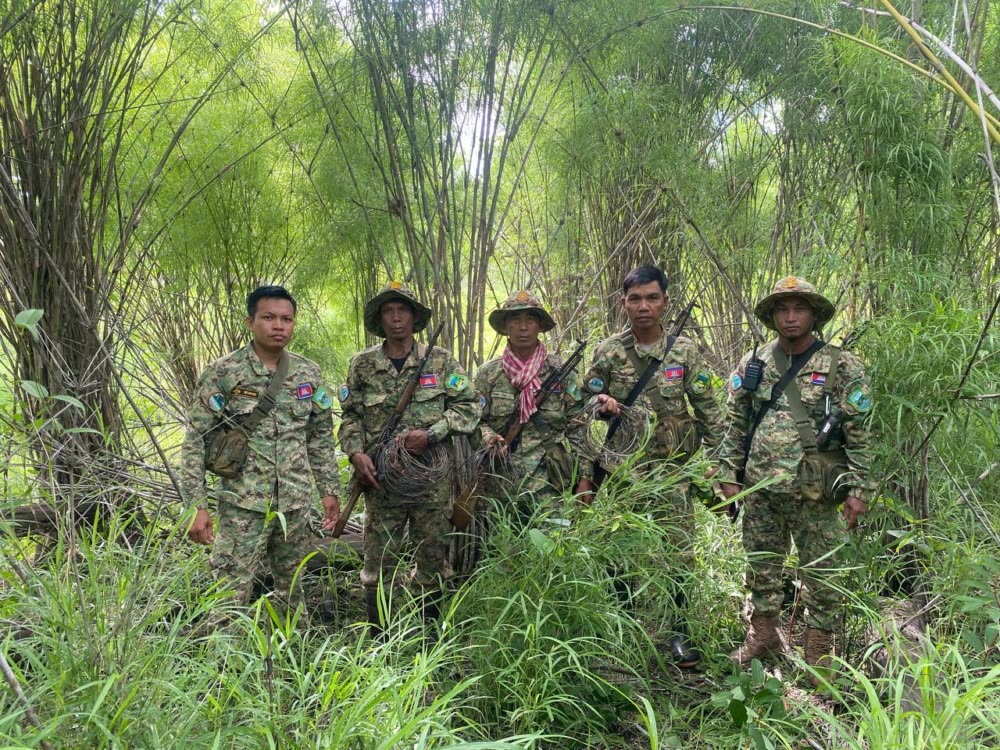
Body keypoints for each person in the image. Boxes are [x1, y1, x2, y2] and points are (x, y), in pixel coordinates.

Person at [717, 276, 874, 683]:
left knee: (822, 571)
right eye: (782, 309)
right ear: (772, 316)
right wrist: (728, 474)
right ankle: (763, 636)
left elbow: (860, 433)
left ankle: (818, 652)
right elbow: (735, 422)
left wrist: (859, 490)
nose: (790, 317)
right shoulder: (754, 363)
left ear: (814, 315)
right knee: (762, 565)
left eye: (799, 308)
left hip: (815, 492)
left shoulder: (842, 365)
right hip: (760, 489)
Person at [582, 265, 726, 668]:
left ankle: (679, 631)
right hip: (623, 470)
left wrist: (721, 467)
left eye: (652, 298)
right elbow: (585, 402)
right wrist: (601, 404)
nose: (643, 306)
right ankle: (625, 625)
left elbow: (711, 414)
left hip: (672, 471)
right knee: (619, 549)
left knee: (678, 551)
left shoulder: (685, 352)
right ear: (623, 303)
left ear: (665, 302)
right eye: (635, 299)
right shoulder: (608, 352)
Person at [182, 285, 341, 618]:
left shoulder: (308, 373)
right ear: (250, 322)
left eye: (287, 319)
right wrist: (197, 507)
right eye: (268, 318)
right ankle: (224, 650)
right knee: (229, 592)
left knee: (293, 589)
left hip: (295, 504)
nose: (278, 326)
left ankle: (290, 647)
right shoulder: (224, 372)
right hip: (243, 504)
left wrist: (329, 491)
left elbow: (320, 437)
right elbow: (196, 439)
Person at [337, 281, 481, 632]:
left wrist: (432, 434)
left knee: (432, 562)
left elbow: (469, 408)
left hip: (432, 484)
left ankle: (426, 636)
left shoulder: (441, 361)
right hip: (381, 483)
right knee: (377, 566)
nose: (396, 317)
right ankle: (380, 638)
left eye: (403, 310)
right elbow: (350, 417)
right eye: (389, 310)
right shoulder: (362, 365)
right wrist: (356, 454)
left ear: (415, 317)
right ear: (380, 318)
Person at [474, 291, 590, 524]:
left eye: (530, 319)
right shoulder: (488, 374)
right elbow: (475, 420)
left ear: (540, 325)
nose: (523, 327)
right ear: (505, 326)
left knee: (553, 543)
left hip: (550, 484)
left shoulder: (560, 371)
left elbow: (578, 426)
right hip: (500, 483)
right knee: (502, 543)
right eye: (515, 319)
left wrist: (586, 477)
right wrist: (489, 438)